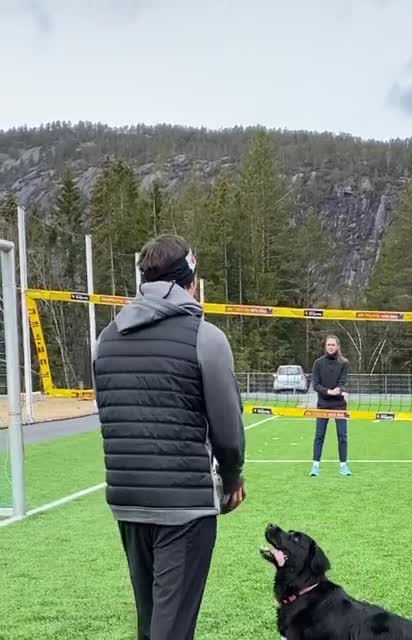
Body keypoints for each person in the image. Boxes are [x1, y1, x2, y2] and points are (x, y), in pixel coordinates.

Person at [92, 234, 246, 640]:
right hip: (183, 507)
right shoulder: (205, 338)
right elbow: (228, 431)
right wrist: (232, 480)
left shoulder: (106, 339)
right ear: (188, 282)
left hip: (128, 502)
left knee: (152, 624)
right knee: (172, 631)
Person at [309, 334, 351, 477]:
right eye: (329, 345)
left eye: (333, 345)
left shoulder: (344, 363)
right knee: (319, 435)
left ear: (338, 346)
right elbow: (315, 385)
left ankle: (344, 465)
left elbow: (343, 382)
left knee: (342, 435)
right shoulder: (318, 363)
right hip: (323, 404)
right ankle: (315, 466)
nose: (331, 347)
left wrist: (340, 391)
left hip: (339, 405)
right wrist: (328, 392)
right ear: (325, 346)